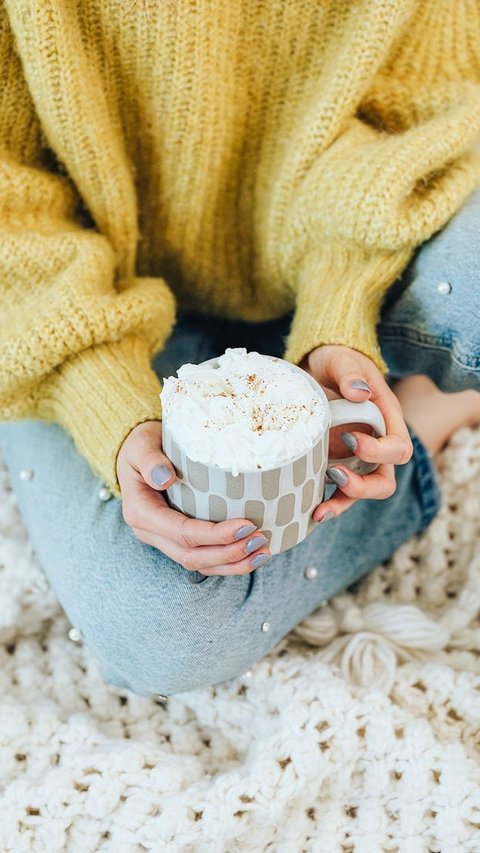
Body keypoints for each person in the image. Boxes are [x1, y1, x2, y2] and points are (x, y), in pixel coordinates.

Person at [0, 0, 479, 697]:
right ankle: (427, 413)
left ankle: (384, 398)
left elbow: (420, 92)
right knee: (162, 628)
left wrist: (341, 306)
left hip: (349, 228)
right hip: (70, 298)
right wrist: (103, 397)